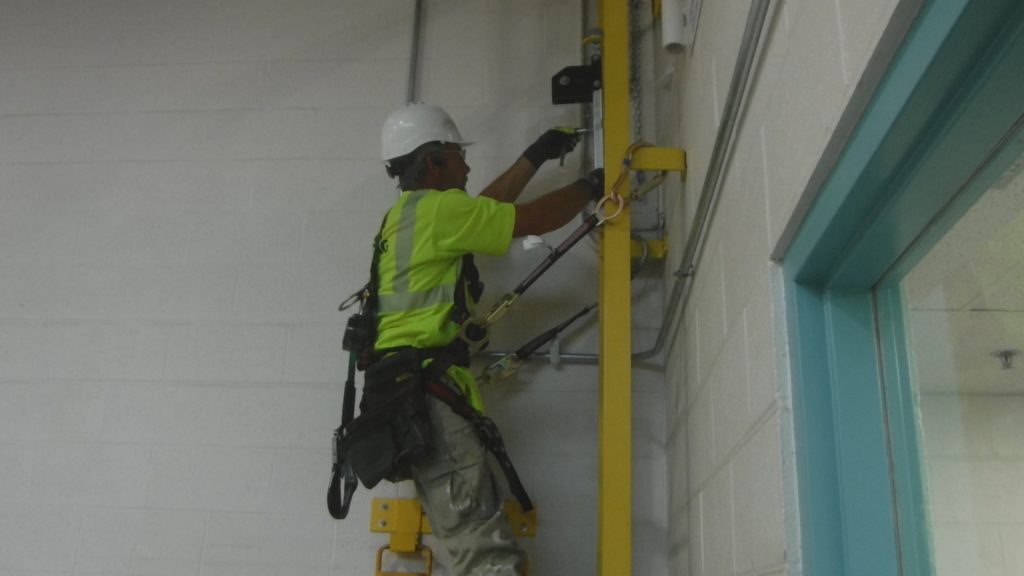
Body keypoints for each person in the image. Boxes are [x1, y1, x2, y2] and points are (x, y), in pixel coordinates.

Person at [369, 102, 603, 576]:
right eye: (458, 154)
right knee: (486, 557)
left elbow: (485, 213)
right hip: (428, 397)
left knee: (472, 548)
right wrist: (592, 187)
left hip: (405, 397)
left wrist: (534, 157)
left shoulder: (406, 217)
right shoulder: (439, 211)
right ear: (434, 162)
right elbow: (531, 218)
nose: (468, 164)